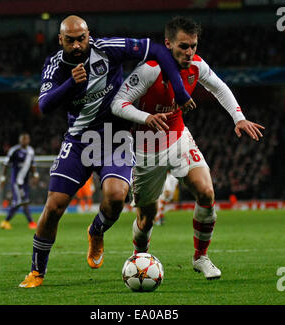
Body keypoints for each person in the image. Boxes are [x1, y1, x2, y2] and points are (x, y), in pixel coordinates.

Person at [19, 15, 195, 288]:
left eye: (81, 38)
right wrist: (70, 85)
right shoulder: (55, 65)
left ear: (89, 35)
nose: (77, 45)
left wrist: (181, 92)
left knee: (115, 197)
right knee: (53, 207)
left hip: (117, 138)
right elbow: (43, 105)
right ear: (60, 40)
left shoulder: (108, 48)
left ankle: (96, 230)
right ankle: (36, 271)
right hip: (79, 141)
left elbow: (159, 50)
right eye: (70, 40)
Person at [111, 16, 265, 280]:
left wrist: (238, 117)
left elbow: (220, 87)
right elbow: (118, 103)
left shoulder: (196, 65)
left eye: (193, 45)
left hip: (179, 138)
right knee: (147, 216)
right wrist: (146, 118)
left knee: (206, 192)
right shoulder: (149, 69)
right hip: (146, 148)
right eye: (183, 46)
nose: (189, 51)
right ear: (168, 43)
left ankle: (201, 257)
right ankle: (140, 258)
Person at [0, 133, 39, 230]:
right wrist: (3, 178)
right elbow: (6, 164)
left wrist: (35, 175)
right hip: (16, 181)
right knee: (19, 201)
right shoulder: (14, 150)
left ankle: (31, 223)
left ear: (29, 140)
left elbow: (32, 165)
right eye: (23, 139)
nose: (24, 141)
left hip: (25, 182)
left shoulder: (30, 151)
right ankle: (5, 222)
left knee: (24, 202)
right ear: (19, 140)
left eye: (26, 139)